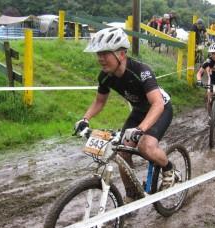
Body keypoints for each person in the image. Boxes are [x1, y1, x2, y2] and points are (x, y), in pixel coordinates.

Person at [75, 27, 175, 202]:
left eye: (105, 53)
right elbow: (99, 102)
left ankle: (169, 170)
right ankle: (132, 194)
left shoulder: (141, 71)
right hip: (138, 111)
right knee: (122, 150)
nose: (100, 58)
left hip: (160, 108)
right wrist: (85, 119)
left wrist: (141, 129)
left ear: (121, 54)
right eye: (98, 53)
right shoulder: (105, 76)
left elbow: (157, 104)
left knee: (146, 146)